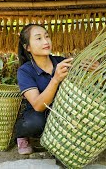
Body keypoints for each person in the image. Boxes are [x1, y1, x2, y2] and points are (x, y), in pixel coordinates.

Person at [15, 23, 98, 155]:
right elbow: (37, 105)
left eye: (47, 36)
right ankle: (22, 135)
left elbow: (82, 89)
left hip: (62, 111)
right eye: (38, 38)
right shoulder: (25, 71)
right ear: (28, 47)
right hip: (38, 114)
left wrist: (94, 71)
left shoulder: (63, 62)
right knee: (34, 124)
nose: (46, 41)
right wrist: (55, 79)